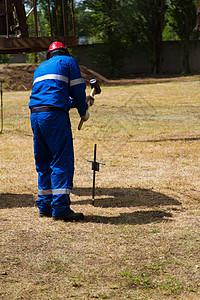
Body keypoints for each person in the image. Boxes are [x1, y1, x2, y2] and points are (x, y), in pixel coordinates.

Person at [29, 41, 91, 222]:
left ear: (49, 55)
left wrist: (79, 103)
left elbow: (51, 97)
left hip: (36, 115)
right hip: (55, 117)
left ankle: (45, 205)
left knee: (43, 160)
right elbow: (78, 90)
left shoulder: (40, 67)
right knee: (61, 160)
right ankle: (61, 209)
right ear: (64, 51)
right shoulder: (68, 61)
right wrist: (83, 110)